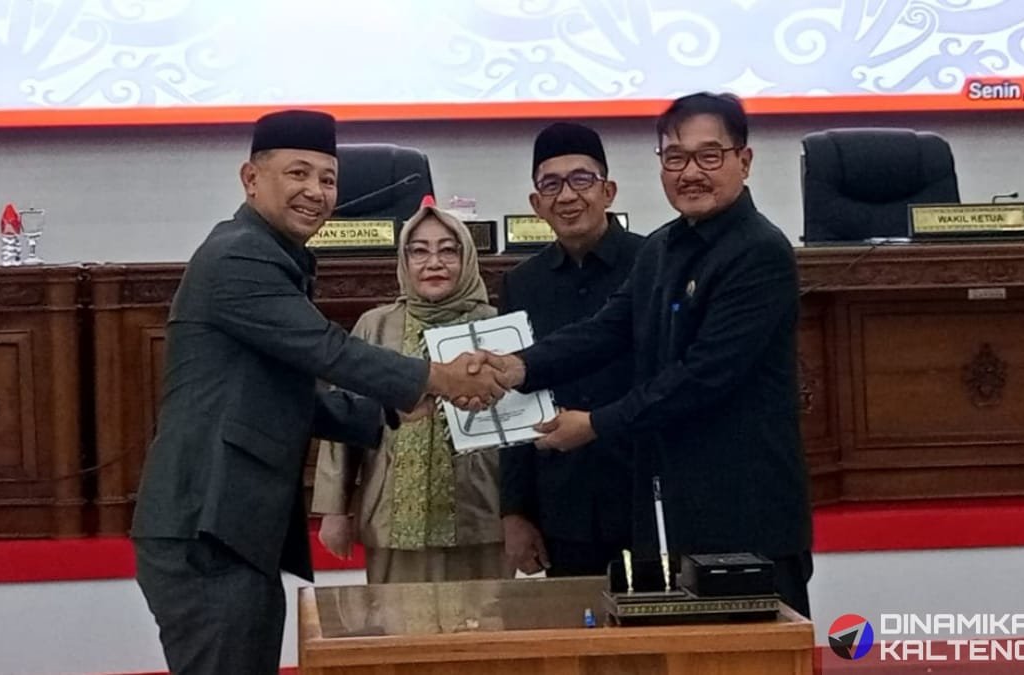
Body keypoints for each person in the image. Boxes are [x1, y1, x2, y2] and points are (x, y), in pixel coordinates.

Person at [131, 109, 509, 675]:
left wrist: (391, 411)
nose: (316, 192)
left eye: (328, 179)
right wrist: (437, 379)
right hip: (205, 520)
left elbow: (283, 394)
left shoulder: (271, 253)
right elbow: (328, 350)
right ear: (251, 178)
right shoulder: (240, 254)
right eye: (298, 173)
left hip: (230, 526)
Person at [486, 93, 814, 616]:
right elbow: (607, 329)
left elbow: (702, 377)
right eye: (675, 157)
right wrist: (517, 366)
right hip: (674, 515)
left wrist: (595, 424)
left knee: (754, 649)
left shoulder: (759, 251)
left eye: (709, 156)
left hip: (747, 513)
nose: (691, 172)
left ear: (744, 160)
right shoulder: (663, 247)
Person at [313, 205, 510, 583]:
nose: (434, 263)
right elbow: (343, 422)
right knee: (397, 619)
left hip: (482, 513)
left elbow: (522, 430)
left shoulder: (495, 325)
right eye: (419, 251)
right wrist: (334, 510)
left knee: (483, 619)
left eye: (448, 250)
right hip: (391, 514)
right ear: (404, 261)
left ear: (467, 258)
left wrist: (523, 513)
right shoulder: (376, 326)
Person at [499, 122, 643, 577]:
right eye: (551, 184)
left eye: (581, 180)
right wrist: (515, 511)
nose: (567, 196)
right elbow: (513, 397)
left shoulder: (654, 264)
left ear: (608, 191)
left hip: (645, 492)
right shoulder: (522, 283)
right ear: (536, 203)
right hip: (563, 502)